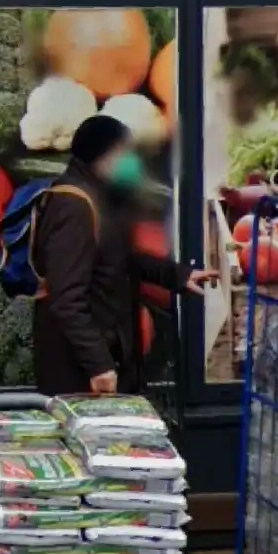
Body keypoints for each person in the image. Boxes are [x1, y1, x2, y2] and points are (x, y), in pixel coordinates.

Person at [31, 115, 217, 396]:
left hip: (108, 352)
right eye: (125, 152)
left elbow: (119, 260)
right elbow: (66, 298)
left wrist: (178, 275)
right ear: (103, 155)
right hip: (78, 372)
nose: (133, 161)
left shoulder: (101, 197)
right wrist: (98, 365)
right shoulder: (73, 207)